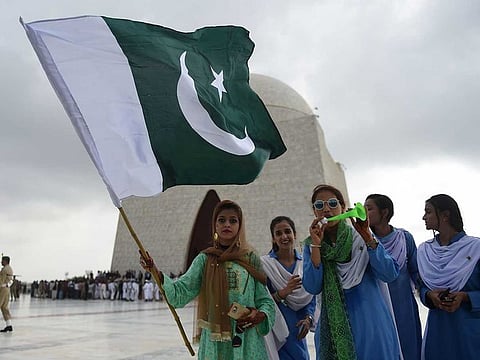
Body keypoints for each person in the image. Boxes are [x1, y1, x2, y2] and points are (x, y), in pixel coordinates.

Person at [140, 200, 275, 359]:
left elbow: (265, 300)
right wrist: (155, 271)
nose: (227, 224)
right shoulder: (204, 260)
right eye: (221, 220)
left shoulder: (251, 259)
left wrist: (259, 315)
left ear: (240, 226)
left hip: (247, 339)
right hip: (215, 340)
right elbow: (181, 292)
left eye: (233, 220)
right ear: (215, 226)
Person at [302, 184, 401, 360]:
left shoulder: (360, 238)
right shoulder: (312, 245)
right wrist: (317, 245)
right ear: (314, 211)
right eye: (319, 205)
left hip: (371, 326)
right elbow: (312, 286)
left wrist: (368, 237)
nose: (326, 209)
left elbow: (389, 274)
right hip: (332, 329)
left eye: (332, 203)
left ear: (342, 206)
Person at [417, 194, 480, 360]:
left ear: (445, 215)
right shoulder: (425, 251)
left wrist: (465, 297)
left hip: (470, 332)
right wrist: (430, 295)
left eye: (428, 212)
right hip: (437, 331)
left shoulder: (475, 249)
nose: (424, 217)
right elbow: (421, 286)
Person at [365, 194, 422, 360]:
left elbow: (416, 271)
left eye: (369, 208)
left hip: (404, 308)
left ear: (384, 212)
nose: (365, 212)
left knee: (410, 348)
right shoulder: (363, 242)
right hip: (377, 308)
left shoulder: (404, 238)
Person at [261, 216, 316, 360]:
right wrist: (283, 293)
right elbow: (261, 301)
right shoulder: (265, 266)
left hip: (298, 330)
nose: (284, 236)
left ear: (294, 234)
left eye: (287, 231)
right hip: (276, 332)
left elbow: (311, 296)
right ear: (273, 239)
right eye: (278, 234)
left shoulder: (304, 264)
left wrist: (308, 318)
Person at [0, 256, 13, 332]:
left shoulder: (4, 270)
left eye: (2, 261)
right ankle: (9, 325)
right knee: (4, 307)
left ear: (5, 261)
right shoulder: (10, 268)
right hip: (7, 289)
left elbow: (1, 281)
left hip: (2, 289)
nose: (1, 262)